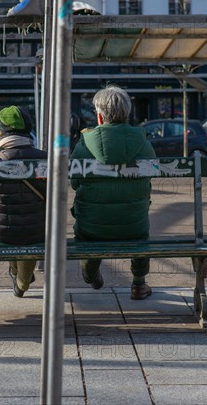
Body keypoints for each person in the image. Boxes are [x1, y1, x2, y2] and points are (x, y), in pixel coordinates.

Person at [70, 85, 156, 300]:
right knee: (140, 225)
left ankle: (90, 274)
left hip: (91, 227)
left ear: (99, 116)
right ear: (127, 113)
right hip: (134, 227)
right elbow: (150, 178)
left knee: (88, 227)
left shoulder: (84, 145)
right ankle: (138, 283)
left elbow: (74, 183)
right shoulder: (143, 144)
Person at [0, 105, 47, 297]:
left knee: (6, 226)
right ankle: (21, 281)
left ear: (2, 132)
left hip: (1, 233)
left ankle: (20, 279)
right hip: (37, 231)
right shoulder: (45, 159)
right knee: (29, 231)